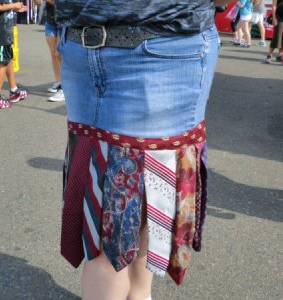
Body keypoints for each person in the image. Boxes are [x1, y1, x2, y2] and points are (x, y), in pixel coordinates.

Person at [56, 0, 230, 299]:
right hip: (82, 45)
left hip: (163, 46)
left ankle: (139, 294)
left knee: (134, 203)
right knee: (115, 211)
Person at [0, 0, 28, 110]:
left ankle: (14, 90)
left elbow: (3, 6)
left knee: (8, 59)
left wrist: (14, 7)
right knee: (3, 62)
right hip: (0, 32)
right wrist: (14, 5)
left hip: (2, 31)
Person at [34, 0, 65, 102]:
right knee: (54, 55)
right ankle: (58, 82)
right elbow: (39, 2)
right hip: (50, 21)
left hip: (63, 22)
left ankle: (65, 88)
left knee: (59, 54)